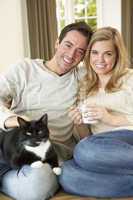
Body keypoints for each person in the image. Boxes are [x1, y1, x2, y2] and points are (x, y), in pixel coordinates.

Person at [0, 21, 93, 200]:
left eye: (80, 51)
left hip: (47, 154)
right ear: (57, 43)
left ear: (83, 57)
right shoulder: (24, 69)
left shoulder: (83, 78)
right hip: (12, 143)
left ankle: (6, 177)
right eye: (68, 45)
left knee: (37, 187)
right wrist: (11, 119)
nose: (72, 54)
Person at [60, 26, 133, 198]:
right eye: (94, 52)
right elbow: (86, 137)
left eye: (108, 53)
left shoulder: (129, 78)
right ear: (88, 55)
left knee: (83, 151)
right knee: (68, 175)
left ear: (117, 55)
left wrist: (111, 119)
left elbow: (88, 146)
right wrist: (79, 123)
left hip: (127, 139)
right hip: (102, 149)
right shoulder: (86, 85)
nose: (100, 59)